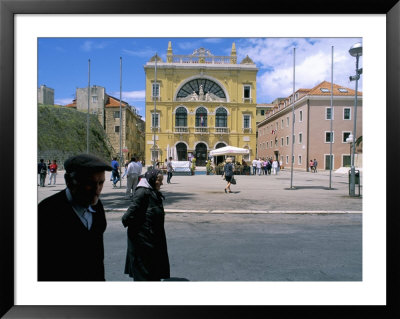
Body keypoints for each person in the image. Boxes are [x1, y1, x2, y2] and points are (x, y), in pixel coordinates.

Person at [38, 153, 112, 281]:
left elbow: (97, 254)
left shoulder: (97, 206)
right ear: (69, 181)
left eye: (101, 183)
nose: (97, 190)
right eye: (90, 183)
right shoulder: (47, 211)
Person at [122, 169, 170, 281]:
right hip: (142, 239)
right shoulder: (142, 192)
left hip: (151, 236)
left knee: (151, 268)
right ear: (152, 179)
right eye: (159, 180)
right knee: (143, 270)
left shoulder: (152, 191)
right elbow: (130, 213)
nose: (161, 183)